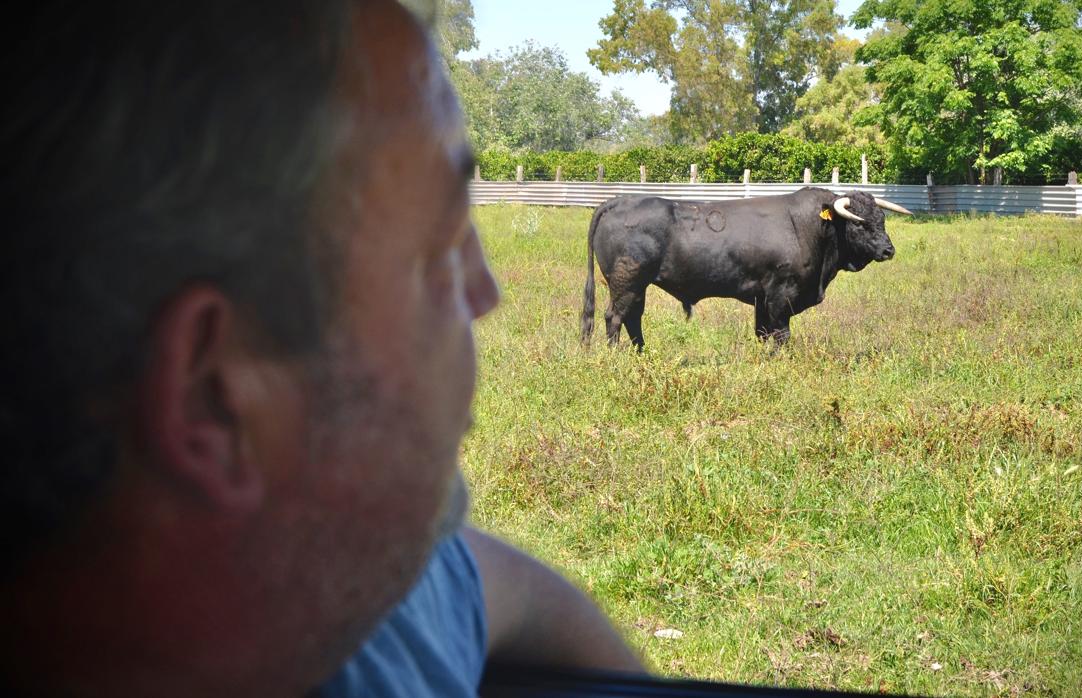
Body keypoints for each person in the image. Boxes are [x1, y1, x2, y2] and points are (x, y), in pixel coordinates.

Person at [0, 0, 643, 695]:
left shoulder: (364, 605)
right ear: (215, 399)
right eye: (442, 247)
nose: (486, 294)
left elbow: (501, 586)